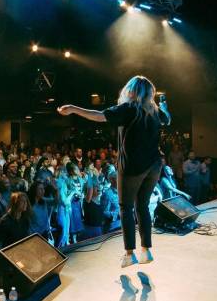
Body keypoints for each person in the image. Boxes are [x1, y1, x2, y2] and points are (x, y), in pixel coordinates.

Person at [58, 75, 170, 266]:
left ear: (132, 90)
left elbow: (99, 115)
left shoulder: (129, 108)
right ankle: (147, 251)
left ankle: (129, 254)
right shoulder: (154, 110)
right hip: (154, 165)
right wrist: (165, 107)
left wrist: (73, 109)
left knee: (126, 207)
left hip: (134, 165)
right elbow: (167, 120)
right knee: (141, 206)